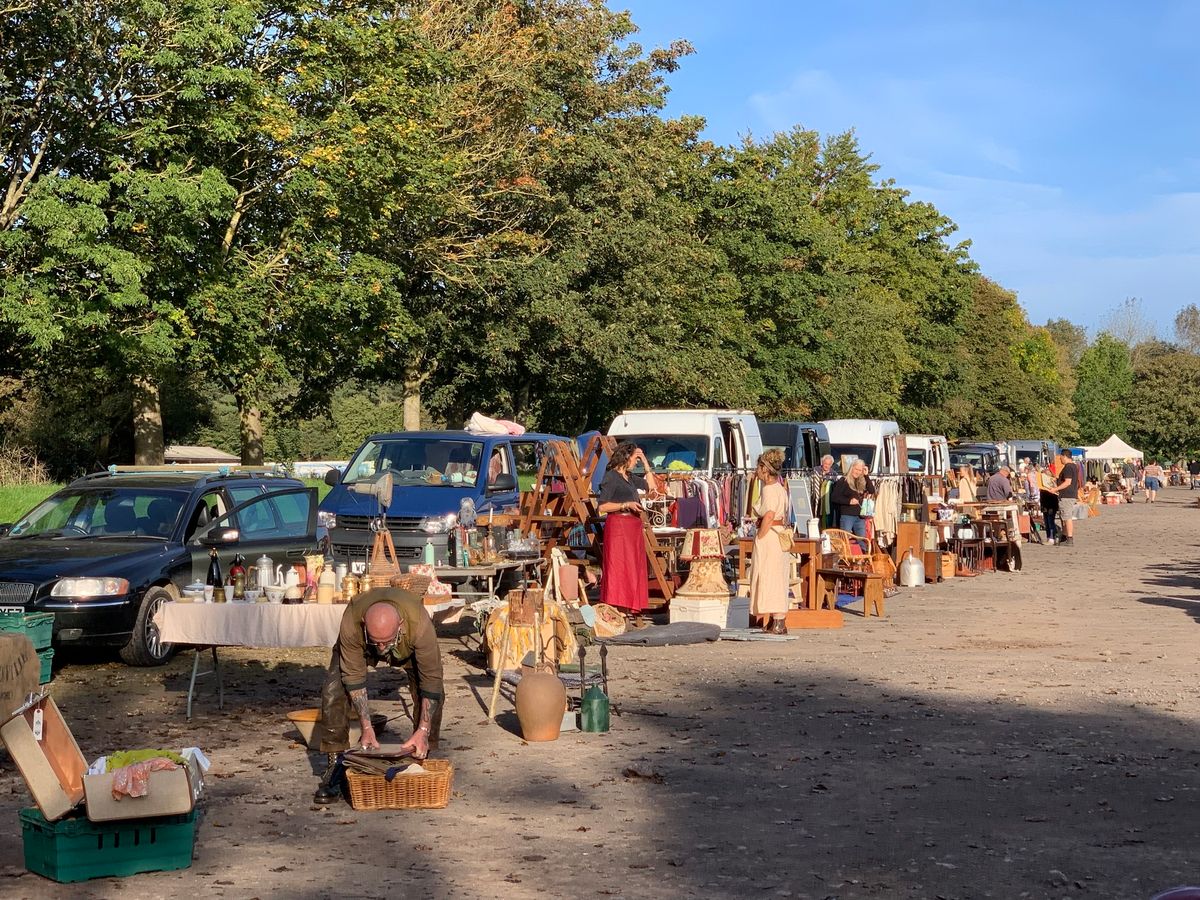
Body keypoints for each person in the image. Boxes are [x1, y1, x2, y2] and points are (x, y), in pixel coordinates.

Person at [312, 587, 445, 804]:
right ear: (365, 623)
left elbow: (432, 681)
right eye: (377, 642)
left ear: (400, 624)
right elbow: (354, 678)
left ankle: (421, 752)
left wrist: (423, 729)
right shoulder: (352, 621)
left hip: (407, 646)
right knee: (333, 692)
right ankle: (335, 768)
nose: (382, 648)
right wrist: (366, 727)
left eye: (386, 642)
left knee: (432, 696)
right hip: (362, 645)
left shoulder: (419, 624)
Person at [597, 442, 661, 622]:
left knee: (633, 567)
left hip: (632, 526)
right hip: (618, 525)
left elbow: (652, 487)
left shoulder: (630, 477)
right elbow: (602, 506)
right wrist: (626, 504)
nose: (635, 463)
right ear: (625, 458)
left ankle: (628, 607)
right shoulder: (611, 477)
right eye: (634, 459)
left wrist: (645, 462)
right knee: (619, 567)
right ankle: (618, 608)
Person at [749, 449, 791, 635]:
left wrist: (761, 535)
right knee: (776, 575)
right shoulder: (780, 488)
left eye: (759, 468)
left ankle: (779, 620)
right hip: (777, 533)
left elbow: (769, 515)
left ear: (764, 469)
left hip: (771, 535)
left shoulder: (769, 489)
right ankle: (776, 619)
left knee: (770, 575)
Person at [830, 458, 874, 537]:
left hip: (860, 517)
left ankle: (864, 550)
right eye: (856, 469)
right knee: (845, 540)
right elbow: (834, 497)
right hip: (847, 516)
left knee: (862, 541)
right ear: (851, 468)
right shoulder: (843, 480)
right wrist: (849, 501)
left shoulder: (862, 482)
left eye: (860, 470)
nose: (857, 472)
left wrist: (866, 475)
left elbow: (871, 490)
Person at [1055, 451, 1081, 546]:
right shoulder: (1074, 466)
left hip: (1067, 495)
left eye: (1061, 457)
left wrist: (1055, 489)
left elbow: (1067, 482)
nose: (1060, 459)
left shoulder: (1068, 467)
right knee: (1064, 516)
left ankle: (1069, 538)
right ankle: (1065, 536)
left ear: (1064, 456)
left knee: (1067, 516)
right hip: (1070, 494)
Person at [1037, 463, 1060, 545]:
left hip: (1051, 504)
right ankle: (1049, 537)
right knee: (1046, 521)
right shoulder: (1042, 485)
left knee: (1050, 521)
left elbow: (1055, 494)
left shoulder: (1052, 482)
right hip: (1044, 503)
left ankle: (1052, 537)